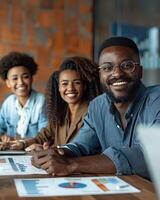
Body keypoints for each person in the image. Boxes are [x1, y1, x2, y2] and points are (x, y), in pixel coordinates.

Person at [31, 36, 160, 180]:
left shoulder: (156, 101)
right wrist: (58, 153)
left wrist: (70, 165)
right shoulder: (97, 106)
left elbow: (147, 154)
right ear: (100, 75)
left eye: (127, 65)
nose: (117, 73)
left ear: (140, 71)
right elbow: (81, 145)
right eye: (107, 68)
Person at [10, 56, 101, 151]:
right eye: (65, 84)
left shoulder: (91, 112)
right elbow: (42, 137)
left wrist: (51, 150)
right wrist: (22, 144)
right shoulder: (60, 112)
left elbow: (81, 147)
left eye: (77, 83)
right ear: (58, 87)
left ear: (84, 86)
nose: (70, 88)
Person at [0, 51, 48, 144]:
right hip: (12, 151)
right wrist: (3, 137)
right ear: (8, 83)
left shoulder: (42, 102)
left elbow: (44, 136)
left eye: (25, 77)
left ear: (31, 78)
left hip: (33, 152)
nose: (21, 82)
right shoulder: (8, 103)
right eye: (14, 78)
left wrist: (23, 144)